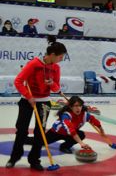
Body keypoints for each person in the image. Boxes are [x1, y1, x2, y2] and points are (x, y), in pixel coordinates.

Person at [6, 36, 67, 171]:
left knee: (40, 133)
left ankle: (34, 160)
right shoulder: (34, 63)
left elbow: (56, 88)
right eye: (60, 57)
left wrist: (52, 85)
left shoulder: (56, 68)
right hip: (27, 101)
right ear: (52, 55)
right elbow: (18, 81)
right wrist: (28, 96)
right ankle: (14, 158)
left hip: (44, 102)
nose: (61, 59)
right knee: (21, 130)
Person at [25, 96, 105, 153]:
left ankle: (64, 147)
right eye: (76, 106)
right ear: (71, 107)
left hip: (69, 134)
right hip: (56, 133)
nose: (78, 108)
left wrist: (101, 131)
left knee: (81, 134)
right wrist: (81, 143)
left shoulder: (84, 114)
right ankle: (24, 139)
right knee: (40, 142)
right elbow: (71, 130)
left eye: (80, 106)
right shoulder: (66, 115)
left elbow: (94, 121)